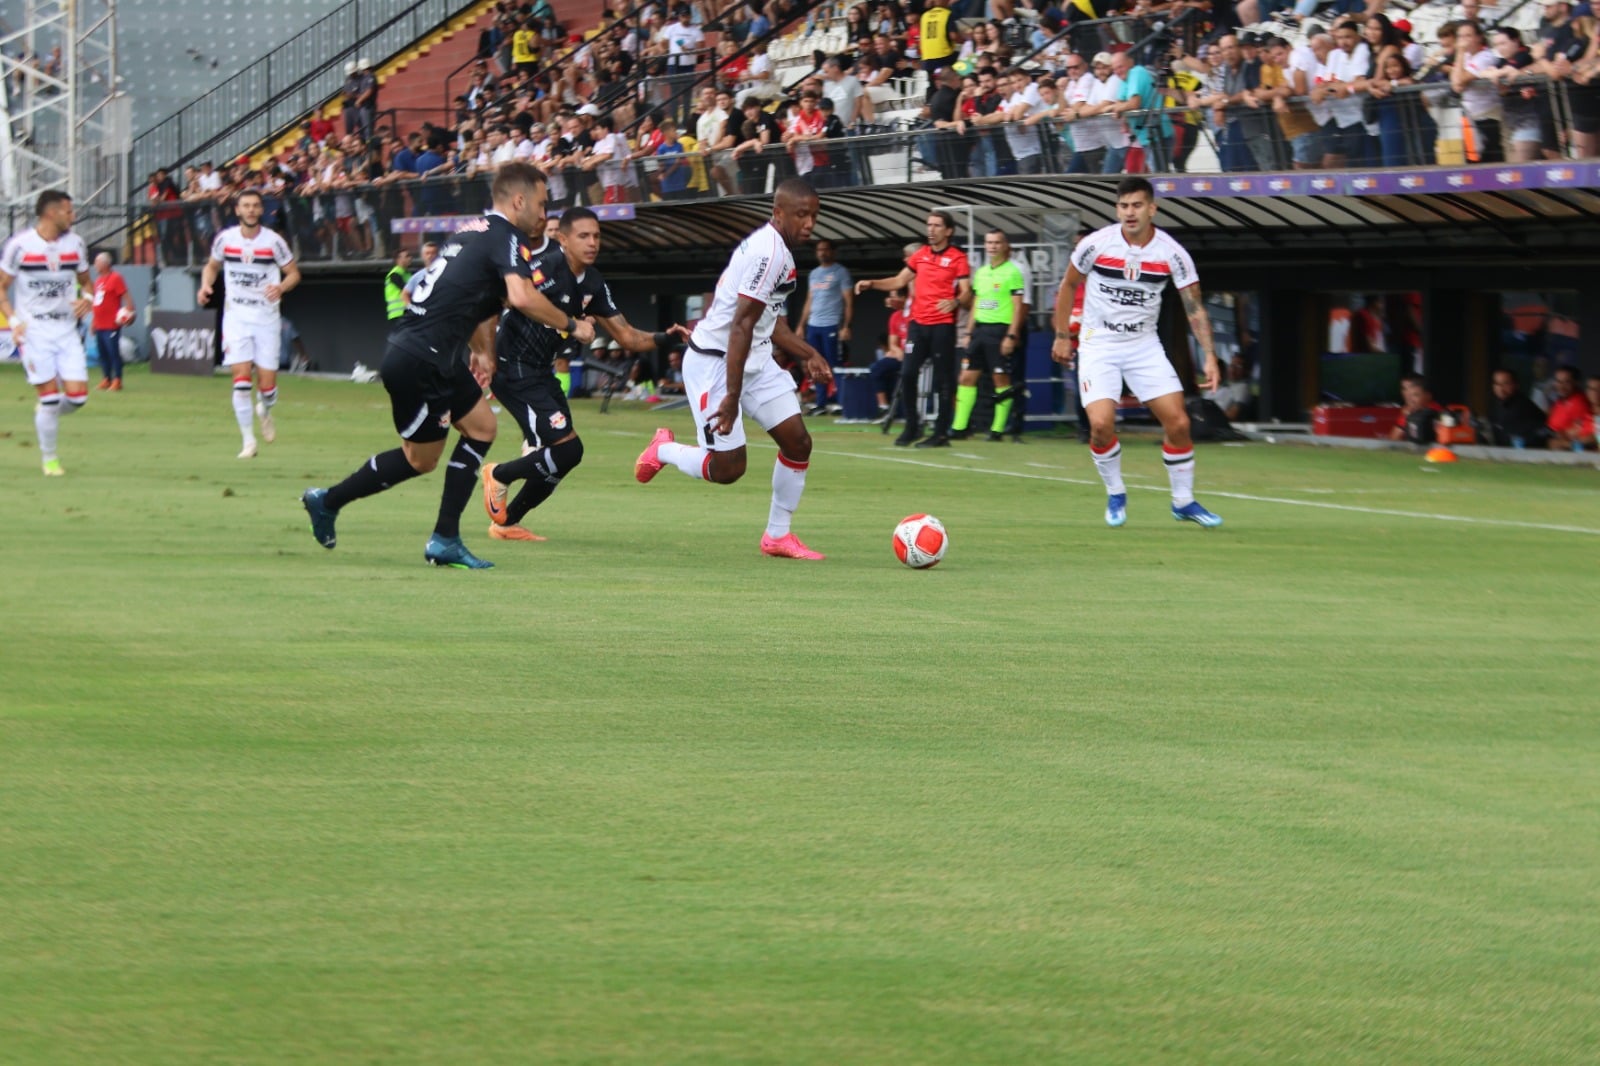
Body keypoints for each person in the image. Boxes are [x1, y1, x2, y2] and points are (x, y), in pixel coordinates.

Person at [300, 163, 595, 570]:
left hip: (435, 354)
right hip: (422, 359)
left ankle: (444, 537)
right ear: (519, 201)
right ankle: (330, 501)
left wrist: (482, 353)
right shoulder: (506, 236)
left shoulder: (472, 232)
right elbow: (521, 297)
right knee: (419, 459)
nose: (545, 214)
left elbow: (471, 301)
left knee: (481, 427)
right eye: (542, 204)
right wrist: (572, 324)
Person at [633, 178, 832, 561]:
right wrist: (732, 396)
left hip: (752, 357)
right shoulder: (769, 253)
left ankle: (777, 536)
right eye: (801, 214)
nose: (809, 223)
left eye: (814, 215)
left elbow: (767, 322)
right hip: (714, 362)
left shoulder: (782, 252)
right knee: (728, 468)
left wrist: (807, 353)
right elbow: (740, 324)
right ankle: (665, 449)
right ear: (778, 213)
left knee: (798, 442)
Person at [481, 207, 685, 542]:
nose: (593, 243)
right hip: (512, 370)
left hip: (541, 374)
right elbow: (505, 297)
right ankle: (498, 474)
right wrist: (484, 351)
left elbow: (627, 336)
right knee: (568, 451)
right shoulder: (543, 269)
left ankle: (505, 524)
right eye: (584, 236)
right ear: (562, 238)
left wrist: (667, 337)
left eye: (597, 236)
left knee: (562, 460)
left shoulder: (593, 282)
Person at [1050, 176, 1224, 528]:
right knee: (1100, 425)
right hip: (1099, 343)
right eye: (1123, 206)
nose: (1130, 213)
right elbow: (1068, 284)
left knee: (1179, 422)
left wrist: (1209, 355)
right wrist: (1061, 335)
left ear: (1152, 208)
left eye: (1137, 205)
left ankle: (1183, 502)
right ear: (1117, 209)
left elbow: (1194, 306)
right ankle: (1116, 493)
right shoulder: (1096, 244)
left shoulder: (1172, 253)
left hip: (1143, 345)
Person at [197, 189, 301, 459]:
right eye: (246, 206)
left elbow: (294, 274)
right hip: (237, 317)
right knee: (241, 381)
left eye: (256, 206)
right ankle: (248, 442)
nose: (251, 210)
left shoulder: (274, 242)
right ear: (238, 210)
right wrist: (205, 285)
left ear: (261, 210)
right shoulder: (225, 239)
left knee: (268, 388)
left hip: (266, 318)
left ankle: (264, 409)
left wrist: (280, 287)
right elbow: (211, 266)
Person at [856, 211, 972, 447]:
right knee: (907, 374)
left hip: (942, 325)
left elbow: (968, 292)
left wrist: (957, 301)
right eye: (929, 225)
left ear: (948, 231)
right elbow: (899, 281)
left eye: (937, 225)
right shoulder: (920, 256)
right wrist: (872, 283)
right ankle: (912, 425)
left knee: (943, 380)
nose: (931, 229)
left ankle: (940, 433)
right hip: (918, 325)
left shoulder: (958, 258)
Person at [0, 190, 93, 476]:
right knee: (51, 397)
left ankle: (45, 412)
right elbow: (2, 286)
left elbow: (88, 284)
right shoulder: (20, 246)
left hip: (66, 330)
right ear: (51, 213)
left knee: (78, 398)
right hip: (34, 331)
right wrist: (13, 321)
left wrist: (87, 300)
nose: (73, 216)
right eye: (69, 211)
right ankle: (50, 459)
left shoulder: (76, 244)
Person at [951, 229, 1024, 442]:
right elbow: (976, 303)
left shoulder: (1013, 272)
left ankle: (997, 429)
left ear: (1005, 246)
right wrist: (969, 332)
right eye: (989, 242)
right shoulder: (981, 273)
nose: (992, 246)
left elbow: (1017, 307)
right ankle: (959, 427)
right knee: (966, 377)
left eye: (996, 242)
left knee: (1000, 379)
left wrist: (1011, 336)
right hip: (979, 332)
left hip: (999, 330)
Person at [798, 238, 852, 415]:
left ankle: (839, 401)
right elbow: (809, 300)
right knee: (816, 363)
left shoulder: (841, 272)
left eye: (826, 250)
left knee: (834, 363)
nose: (822, 253)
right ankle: (821, 403)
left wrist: (846, 326)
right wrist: (801, 325)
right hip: (814, 325)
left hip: (832, 324)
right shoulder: (814, 274)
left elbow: (849, 301)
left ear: (833, 252)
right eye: (819, 250)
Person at [90, 252, 134, 391]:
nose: (95, 265)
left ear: (105, 264)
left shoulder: (116, 278)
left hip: (111, 324)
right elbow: (96, 303)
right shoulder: (98, 281)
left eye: (97, 262)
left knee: (113, 352)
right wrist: (93, 322)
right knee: (102, 353)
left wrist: (129, 311)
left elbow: (125, 295)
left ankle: (117, 380)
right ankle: (106, 378)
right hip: (100, 324)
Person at [1488, 367, 1549, 447]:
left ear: (1516, 385)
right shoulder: (1497, 405)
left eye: (1505, 384)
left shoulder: (1523, 406)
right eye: (1497, 384)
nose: (1500, 388)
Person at [1545, 365, 1595, 449]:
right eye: (1558, 381)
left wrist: (1563, 440)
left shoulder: (1579, 403)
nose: (1561, 386)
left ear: (1576, 382)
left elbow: (1587, 435)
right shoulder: (1560, 401)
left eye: (1567, 382)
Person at [1388, 372, 1445, 443]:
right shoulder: (1410, 412)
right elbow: (1392, 439)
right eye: (1404, 389)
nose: (1410, 400)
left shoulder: (1437, 413)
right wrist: (1406, 417)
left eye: (1415, 395)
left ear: (1428, 396)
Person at [402, 241, 439, 305]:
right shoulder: (417, 276)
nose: (430, 256)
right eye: (427, 253)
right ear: (422, 256)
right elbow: (405, 294)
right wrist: (412, 309)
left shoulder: (446, 272)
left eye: (433, 253)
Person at [384, 247, 413, 321]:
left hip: (406, 312)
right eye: (407, 256)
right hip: (398, 313)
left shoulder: (408, 274)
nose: (410, 258)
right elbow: (407, 289)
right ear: (398, 259)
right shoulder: (394, 274)